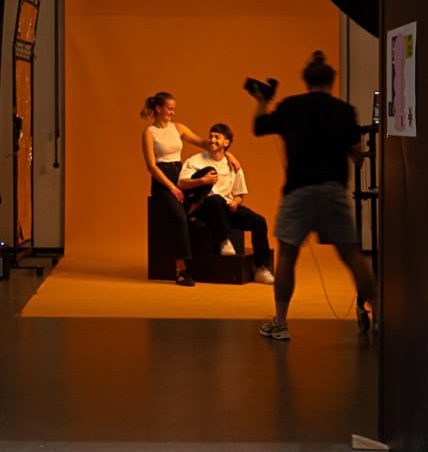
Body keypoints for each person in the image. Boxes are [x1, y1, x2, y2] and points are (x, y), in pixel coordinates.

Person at [251, 51, 378, 341]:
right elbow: (357, 154)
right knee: (353, 256)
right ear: (332, 81)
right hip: (333, 191)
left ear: (306, 81)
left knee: (286, 256)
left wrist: (262, 99)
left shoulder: (290, 106)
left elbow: (259, 126)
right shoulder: (344, 111)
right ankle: (380, 316)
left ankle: (280, 323)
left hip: (298, 191)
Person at [140, 91, 239, 287]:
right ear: (158, 109)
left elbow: (206, 143)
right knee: (179, 218)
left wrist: (230, 155)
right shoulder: (149, 133)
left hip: (179, 172)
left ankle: (192, 209)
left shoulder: (178, 128)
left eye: (174, 109)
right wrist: (172, 187)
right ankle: (181, 270)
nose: (172, 113)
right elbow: (151, 166)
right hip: (162, 180)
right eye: (169, 109)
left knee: (208, 171)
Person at [178, 122, 275, 284]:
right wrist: (202, 180)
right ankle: (223, 240)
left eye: (217, 137)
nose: (212, 140)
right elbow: (182, 183)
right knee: (215, 199)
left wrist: (235, 202)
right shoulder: (195, 161)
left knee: (259, 221)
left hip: (225, 208)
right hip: (205, 207)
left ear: (226, 142)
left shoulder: (233, 165)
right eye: (211, 136)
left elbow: (239, 194)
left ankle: (261, 269)